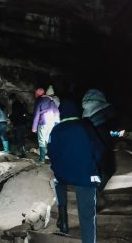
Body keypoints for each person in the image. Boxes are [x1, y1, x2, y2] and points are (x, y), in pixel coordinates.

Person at [48, 99, 105, 243]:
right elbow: (99, 150)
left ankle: (64, 220)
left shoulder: (56, 129)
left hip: (63, 174)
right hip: (85, 175)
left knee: (57, 182)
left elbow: (51, 153)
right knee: (87, 214)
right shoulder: (85, 127)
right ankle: (88, 240)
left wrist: (59, 168)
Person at [82, 89, 123, 208]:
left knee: (99, 171)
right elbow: (110, 132)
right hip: (102, 148)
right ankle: (95, 198)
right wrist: (118, 135)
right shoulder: (105, 113)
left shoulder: (85, 113)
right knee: (108, 169)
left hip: (91, 148)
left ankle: (94, 196)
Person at [32, 88, 60, 163]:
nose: (35, 94)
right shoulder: (51, 100)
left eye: (35, 93)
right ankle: (52, 157)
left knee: (41, 140)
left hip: (43, 121)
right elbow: (56, 112)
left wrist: (34, 127)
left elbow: (36, 114)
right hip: (51, 122)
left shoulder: (39, 100)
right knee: (48, 139)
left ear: (38, 94)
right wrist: (56, 123)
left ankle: (42, 159)